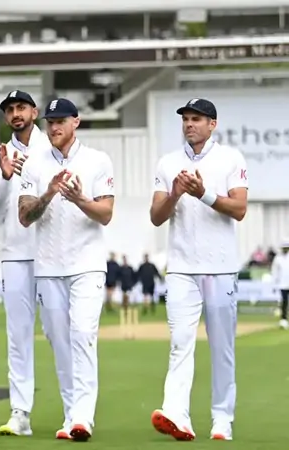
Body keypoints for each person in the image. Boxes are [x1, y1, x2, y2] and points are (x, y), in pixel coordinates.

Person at [149, 98, 247, 442]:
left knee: (222, 346)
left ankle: (222, 419)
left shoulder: (230, 158)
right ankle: (177, 415)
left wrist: (204, 193)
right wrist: (175, 193)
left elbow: (239, 209)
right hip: (180, 267)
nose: (189, 124)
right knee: (180, 341)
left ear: (212, 124)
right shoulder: (168, 162)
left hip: (220, 267)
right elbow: (156, 216)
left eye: (197, 119)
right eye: (186, 119)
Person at [17, 98, 114, 442]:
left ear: (76, 122)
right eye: (49, 121)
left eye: (60, 120)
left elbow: (105, 214)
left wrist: (79, 200)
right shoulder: (34, 163)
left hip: (87, 263)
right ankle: (71, 412)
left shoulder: (97, 160)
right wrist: (48, 193)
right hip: (48, 265)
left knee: (83, 334)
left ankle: (82, 418)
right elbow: (24, 217)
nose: (54, 126)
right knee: (60, 341)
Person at [0, 90, 51, 437]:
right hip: (14, 251)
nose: (16, 113)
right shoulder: (0, 154)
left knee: (61, 334)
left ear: (34, 111)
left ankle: (76, 411)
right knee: (18, 335)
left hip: (52, 253)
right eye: (10, 109)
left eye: (21, 107)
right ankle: (20, 412)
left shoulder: (51, 147)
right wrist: (5, 176)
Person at [271, 242, 289, 329]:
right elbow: (275, 272)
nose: (285, 249)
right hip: (283, 283)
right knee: (284, 302)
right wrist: (274, 284)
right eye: (284, 248)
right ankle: (283, 320)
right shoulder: (278, 258)